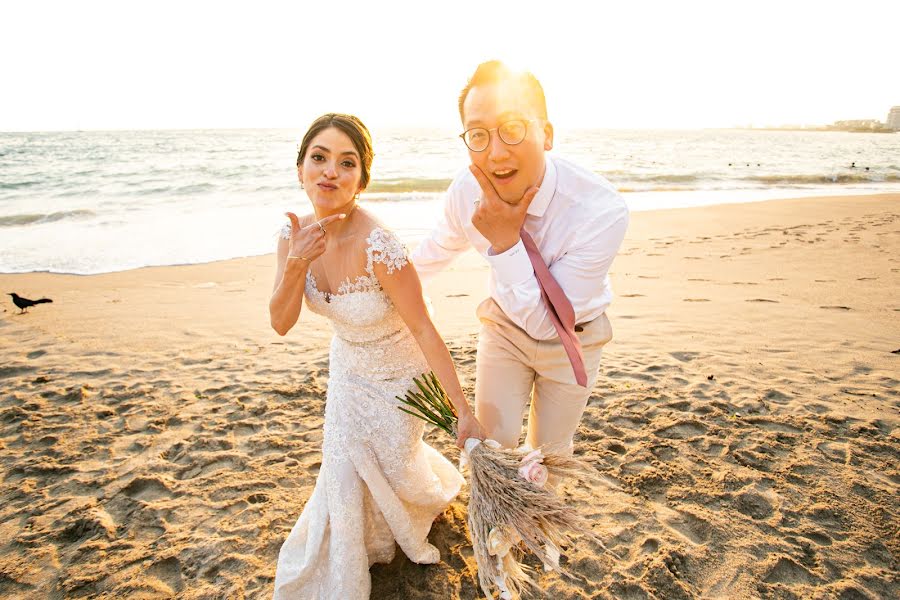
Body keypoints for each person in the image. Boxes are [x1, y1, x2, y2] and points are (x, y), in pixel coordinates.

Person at [269, 113, 484, 599]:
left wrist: (463, 412)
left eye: (346, 163)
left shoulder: (380, 246)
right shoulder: (290, 235)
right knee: (343, 469)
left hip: (398, 374)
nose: (330, 172)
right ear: (300, 167)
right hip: (348, 368)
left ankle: (420, 497)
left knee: (399, 473)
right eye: (319, 158)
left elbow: (425, 330)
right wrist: (298, 261)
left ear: (361, 180)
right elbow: (281, 323)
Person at [412, 60, 629, 459]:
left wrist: (507, 243)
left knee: (551, 455)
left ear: (546, 134)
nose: (496, 153)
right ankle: (489, 522)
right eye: (478, 134)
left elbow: (550, 325)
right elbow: (432, 253)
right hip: (505, 328)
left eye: (512, 129)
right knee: (492, 449)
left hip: (574, 337)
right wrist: (374, 286)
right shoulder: (465, 191)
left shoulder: (601, 211)